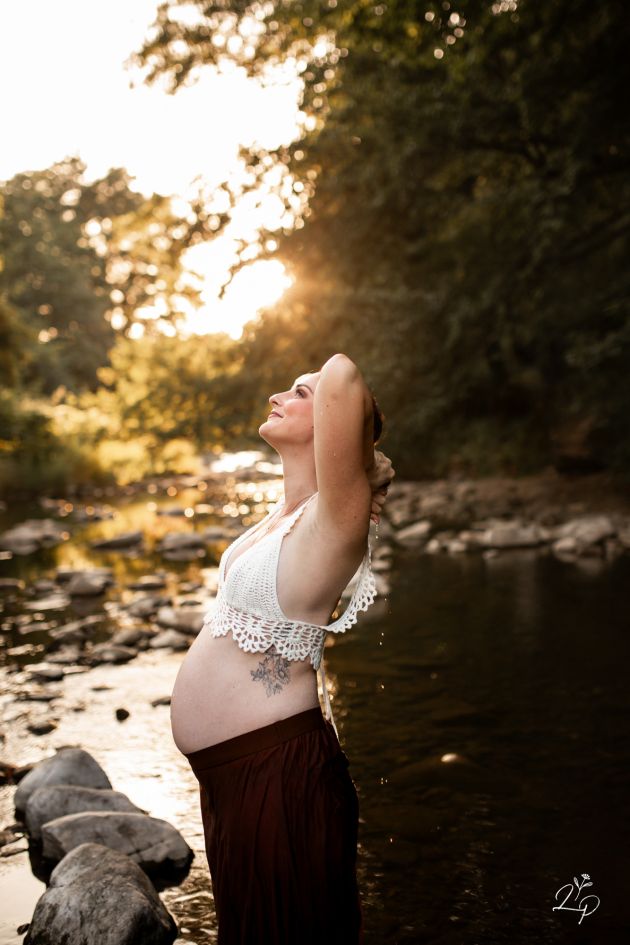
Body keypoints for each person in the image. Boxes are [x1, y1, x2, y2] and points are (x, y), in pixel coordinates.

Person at [170, 352, 395, 945]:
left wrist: (363, 450)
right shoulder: (283, 516)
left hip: (280, 776)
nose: (279, 395)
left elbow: (344, 371)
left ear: (330, 420)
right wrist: (371, 462)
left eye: (299, 392)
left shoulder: (334, 525)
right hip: (233, 780)